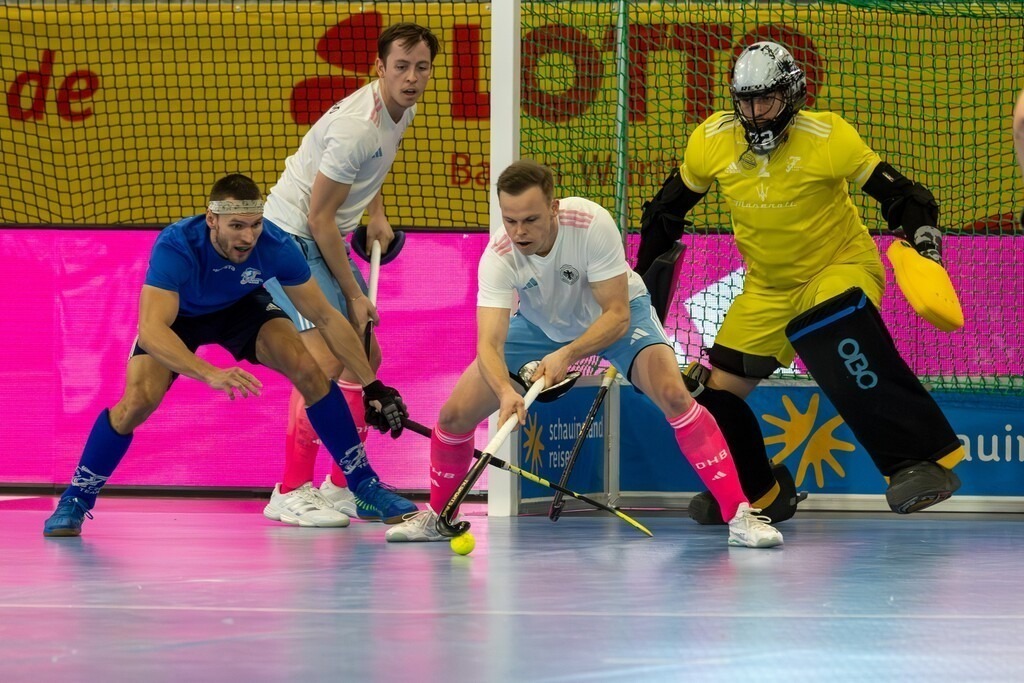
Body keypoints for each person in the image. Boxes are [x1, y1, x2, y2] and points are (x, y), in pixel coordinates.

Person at [639, 41, 965, 526]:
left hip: (838, 266)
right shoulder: (711, 141)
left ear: (791, 95)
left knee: (833, 333)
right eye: (745, 101)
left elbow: (902, 194)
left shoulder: (827, 135)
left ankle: (918, 463)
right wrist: (642, 289)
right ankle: (759, 493)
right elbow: (666, 211)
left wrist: (922, 238)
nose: (754, 113)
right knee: (714, 397)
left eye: (765, 100)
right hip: (767, 287)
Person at [384, 159, 784, 548]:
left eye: (531, 219)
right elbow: (489, 343)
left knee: (675, 396)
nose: (519, 232)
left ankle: (740, 515)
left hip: (616, 320)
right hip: (541, 326)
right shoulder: (499, 256)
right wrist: (507, 394)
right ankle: (439, 516)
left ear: (553, 208)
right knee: (454, 414)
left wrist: (568, 355)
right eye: (510, 220)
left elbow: (617, 315)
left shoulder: (590, 224)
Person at [43, 174, 410, 537]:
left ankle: (363, 483)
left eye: (254, 225)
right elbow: (153, 331)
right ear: (211, 219)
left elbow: (326, 317)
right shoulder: (177, 245)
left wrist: (372, 384)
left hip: (241, 307)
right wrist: (208, 373)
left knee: (309, 369)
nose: (248, 236)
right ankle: (76, 498)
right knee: (137, 401)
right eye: (236, 225)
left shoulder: (276, 245)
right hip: (180, 320)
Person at [260, 22, 439, 526]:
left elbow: (371, 167)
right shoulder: (356, 126)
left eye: (421, 67)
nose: (411, 77)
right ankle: (290, 491)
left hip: (324, 235)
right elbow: (319, 217)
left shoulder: (400, 110)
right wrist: (351, 291)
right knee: (322, 366)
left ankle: (342, 487)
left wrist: (375, 214)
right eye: (400, 67)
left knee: (366, 353)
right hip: (291, 238)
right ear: (378, 68)